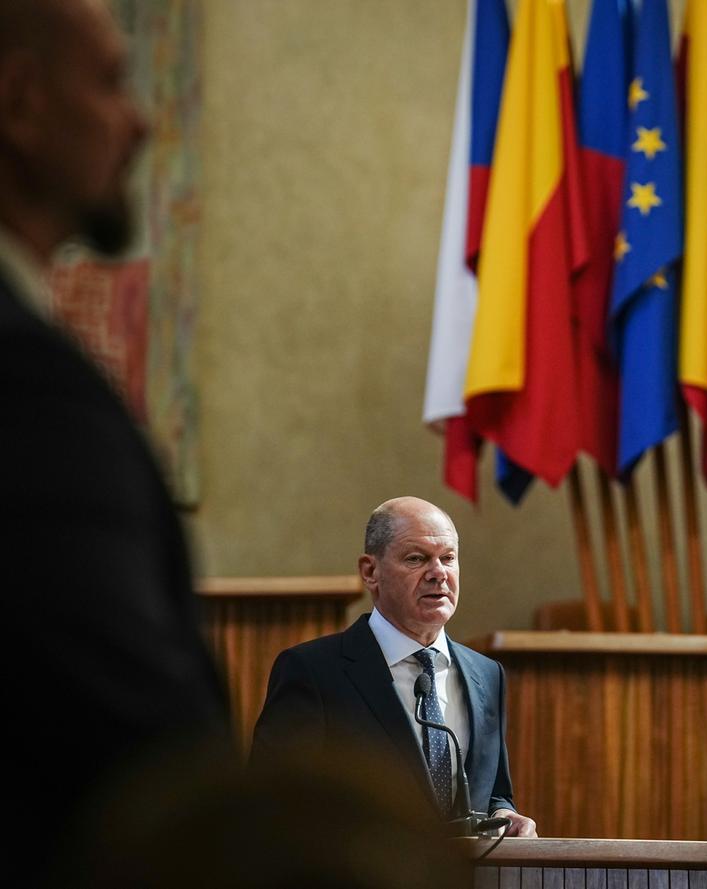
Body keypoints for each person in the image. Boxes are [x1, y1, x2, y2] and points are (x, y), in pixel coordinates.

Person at [0, 0, 227, 883]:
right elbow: (148, 747)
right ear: (20, 103)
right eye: (107, 82)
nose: (138, 121)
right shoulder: (26, 386)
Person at [253, 497, 537, 837]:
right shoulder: (312, 672)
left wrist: (506, 814)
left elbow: (493, 793)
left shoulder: (487, 674)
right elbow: (272, 806)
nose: (438, 573)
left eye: (448, 558)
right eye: (416, 559)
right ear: (370, 572)